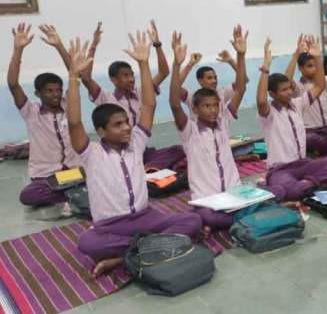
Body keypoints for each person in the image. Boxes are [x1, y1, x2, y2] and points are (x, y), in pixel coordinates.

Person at [68, 33, 201, 277]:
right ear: (101, 131)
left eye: (126, 122)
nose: (127, 127)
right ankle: (153, 246)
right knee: (87, 243)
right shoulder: (91, 152)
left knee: (193, 221)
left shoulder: (136, 143)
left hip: (145, 217)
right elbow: (74, 121)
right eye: (118, 125)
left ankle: (124, 256)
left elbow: (148, 105)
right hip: (111, 225)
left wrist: (143, 63)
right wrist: (73, 77)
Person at [169, 28, 248, 232]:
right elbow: (175, 102)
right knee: (207, 216)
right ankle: (231, 219)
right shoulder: (189, 130)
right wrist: (178, 65)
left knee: (269, 195)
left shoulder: (224, 122)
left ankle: (233, 218)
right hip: (208, 198)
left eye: (215, 105)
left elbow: (241, 87)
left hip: (234, 193)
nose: (213, 110)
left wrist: (240, 55)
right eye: (206, 106)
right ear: (195, 109)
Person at [257, 36, 327, 202]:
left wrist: (317, 57)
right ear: (272, 94)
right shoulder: (268, 112)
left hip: (303, 164)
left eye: (289, 89)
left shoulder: (297, 104)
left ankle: (308, 184)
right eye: (284, 90)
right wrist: (266, 68)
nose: (289, 92)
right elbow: (261, 101)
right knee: (289, 189)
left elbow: (320, 86)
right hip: (281, 170)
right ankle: (305, 186)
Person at [82, 20, 184, 170]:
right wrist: (94, 45)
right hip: (118, 152)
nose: (130, 79)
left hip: (141, 149)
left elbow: (163, 72)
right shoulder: (106, 98)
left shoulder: (142, 93)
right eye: (125, 76)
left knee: (178, 151)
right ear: (113, 80)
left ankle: (146, 167)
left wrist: (157, 45)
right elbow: (86, 78)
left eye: (131, 75)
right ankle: (144, 168)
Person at [7, 24, 78, 207]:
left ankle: (71, 192)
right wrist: (18, 50)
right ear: (38, 93)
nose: (55, 94)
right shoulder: (30, 112)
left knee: (96, 173)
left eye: (58, 90)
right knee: (29, 195)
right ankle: (74, 194)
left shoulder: (69, 106)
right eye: (49, 91)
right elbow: (13, 84)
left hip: (73, 171)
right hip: (46, 175)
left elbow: (75, 74)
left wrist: (59, 45)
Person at [285, 35, 327, 155]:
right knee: (311, 139)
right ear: (300, 68)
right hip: (311, 131)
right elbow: (286, 80)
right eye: (310, 66)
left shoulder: (324, 81)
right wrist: (296, 55)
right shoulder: (298, 87)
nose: (315, 69)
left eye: (316, 65)